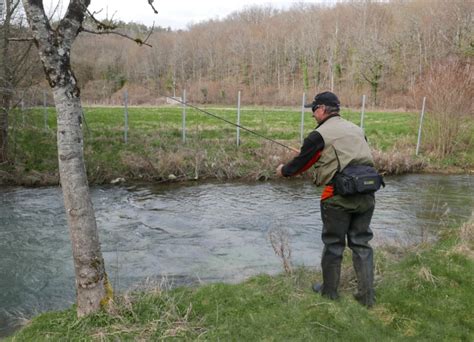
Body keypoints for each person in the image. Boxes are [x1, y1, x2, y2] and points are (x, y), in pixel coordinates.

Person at [276, 91, 376, 307]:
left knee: (334, 245)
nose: (312, 114)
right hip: (368, 193)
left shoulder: (318, 135)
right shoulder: (357, 129)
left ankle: (329, 293)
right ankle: (367, 297)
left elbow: (300, 165)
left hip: (338, 197)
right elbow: (353, 157)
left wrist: (283, 170)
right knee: (361, 244)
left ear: (321, 109)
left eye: (313, 110)